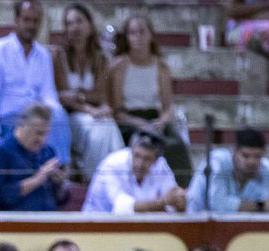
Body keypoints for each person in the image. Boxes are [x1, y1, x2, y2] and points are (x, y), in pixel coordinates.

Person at [0, 1, 70, 165]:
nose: (31, 26)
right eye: (27, 20)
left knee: (58, 114)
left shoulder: (43, 55)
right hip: (8, 120)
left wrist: (51, 115)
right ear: (16, 20)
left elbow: (49, 94)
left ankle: (60, 168)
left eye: (36, 21)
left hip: (36, 118)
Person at [105, 15, 191, 185]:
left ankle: (182, 192)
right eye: (132, 33)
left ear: (150, 35)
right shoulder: (119, 66)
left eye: (142, 32)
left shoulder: (161, 66)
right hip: (129, 120)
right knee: (144, 144)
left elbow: (168, 106)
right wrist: (140, 124)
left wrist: (162, 121)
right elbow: (117, 111)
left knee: (176, 145)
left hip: (155, 118)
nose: (137, 37)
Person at [53, 3, 122, 179]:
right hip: (68, 118)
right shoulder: (58, 56)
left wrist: (81, 97)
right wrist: (89, 107)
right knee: (100, 129)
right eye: (69, 23)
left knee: (109, 127)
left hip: (92, 115)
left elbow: (99, 94)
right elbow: (60, 97)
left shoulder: (100, 58)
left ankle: (109, 177)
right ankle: (96, 179)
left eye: (79, 21)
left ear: (90, 26)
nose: (74, 27)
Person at [186, 127, 269, 213]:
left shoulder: (265, 166)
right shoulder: (217, 161)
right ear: (235, 152)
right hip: (196, 224)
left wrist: (267, 204)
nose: (252, 162)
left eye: (257, 156)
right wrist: (260, 206)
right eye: (246, 156)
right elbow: (218, 205)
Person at [0, 103, 68, 212]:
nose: (42, 140)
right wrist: (38, 179)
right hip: (14, 223)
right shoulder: (0, 151)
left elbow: (60, 199)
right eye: (38, 133)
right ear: (22, 126)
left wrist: (59, 183)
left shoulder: (47, 152)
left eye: (46, 134)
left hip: (48, 221)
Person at [81, 132, 183, 214]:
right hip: (97, 227)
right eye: (137, 156)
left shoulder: (161, 165)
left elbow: (173, 200)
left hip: (137, 227)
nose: (140, 164)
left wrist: (178, 200)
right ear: (131, 151)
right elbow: (121, 207)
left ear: (156, 160)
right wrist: (163, 202)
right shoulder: (112, 164)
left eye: (147, 159)